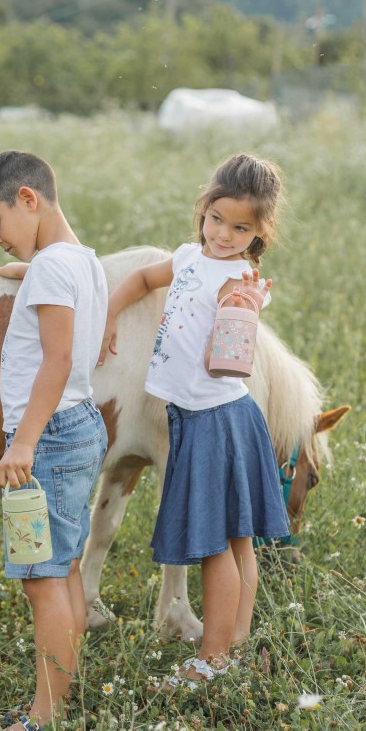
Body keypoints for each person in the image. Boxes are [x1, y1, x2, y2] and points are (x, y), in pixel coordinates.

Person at [97, 153, 290, 688]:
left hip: (214, 420)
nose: (224, 234)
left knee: (218, 546)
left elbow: (227, 359)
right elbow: (139, 278)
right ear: (203, 208)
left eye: (241, 227)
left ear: (259, 232)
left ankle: (213, 657)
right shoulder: (188, 257)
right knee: (238, 543)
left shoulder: (238, 281)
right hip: (214, 416)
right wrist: (110, 311)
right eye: (216, 219)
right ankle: (239, 646)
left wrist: (239, 314)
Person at [0, 151, 109, 731]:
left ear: (29, 199)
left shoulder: (52, 269)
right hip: (82, 426)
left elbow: (58, 358)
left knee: (42, 581)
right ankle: (61, 702)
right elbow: (65, 295)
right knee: (64, 568)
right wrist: (30, 275)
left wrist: (21, 444)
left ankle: (43, 719)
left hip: (45, 440)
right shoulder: (83, 262)